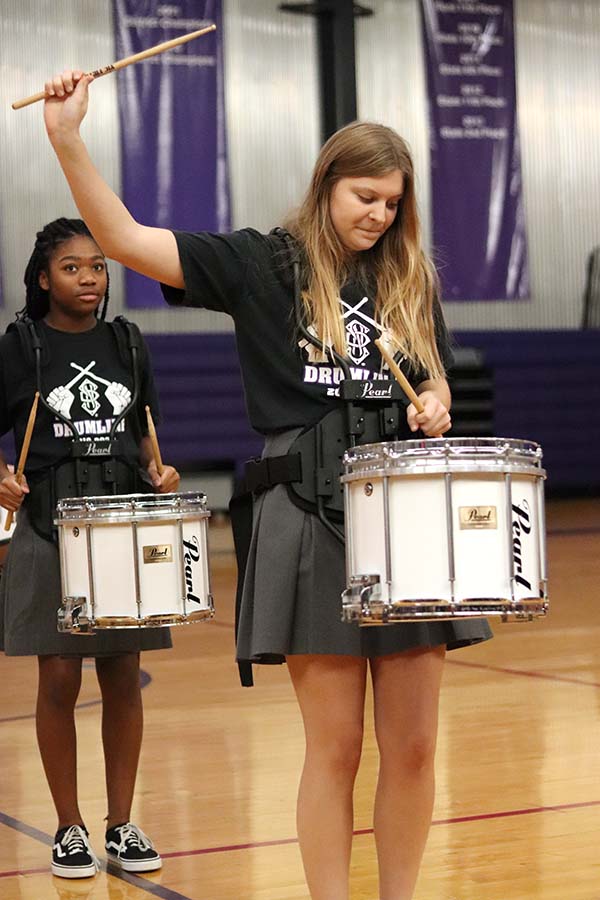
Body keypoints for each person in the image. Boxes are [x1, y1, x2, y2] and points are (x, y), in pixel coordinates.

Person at [42, 69, 493, 900]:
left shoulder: (406, 279)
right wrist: (67, 137)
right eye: (365, 196)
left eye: (393, 203)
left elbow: (433, 381)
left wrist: (433, 401)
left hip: (410, 527)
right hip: (308, 514)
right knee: (336, 748)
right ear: (326, 185)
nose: (379, 215)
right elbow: (129, 239)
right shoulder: (261, 263)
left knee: (417, 748)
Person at [0, 216, 180, 880]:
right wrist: (3, 481)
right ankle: (70, 826)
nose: (89, 278)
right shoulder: (21, 345)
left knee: (122, 674)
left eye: (98, 267)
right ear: (44, 277)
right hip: (50, 523)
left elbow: (145, 433)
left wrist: (162, 472)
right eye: (73, 267)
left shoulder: (128, 341)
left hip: (122, 524)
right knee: (58, 677)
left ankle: (121, 822)